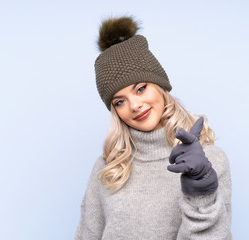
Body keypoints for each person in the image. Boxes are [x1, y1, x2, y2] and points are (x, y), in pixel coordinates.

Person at [74, 16, 232, 240]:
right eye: (120, 101)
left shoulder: (210, 162)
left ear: (159, 86)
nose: (135, 105)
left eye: (140, 88)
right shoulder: (109, 168)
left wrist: (201, 192)